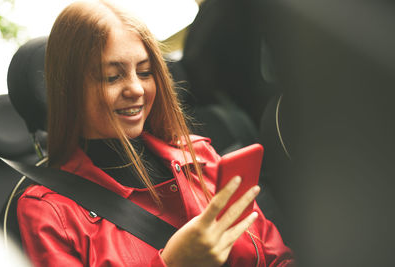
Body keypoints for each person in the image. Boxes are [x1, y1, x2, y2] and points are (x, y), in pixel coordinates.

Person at [16, 1, 294, 266]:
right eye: (113, 77)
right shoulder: (48, 212)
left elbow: (275, 258)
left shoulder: (197, 154)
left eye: (145, 72)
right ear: (70, 88)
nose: (136, 89)